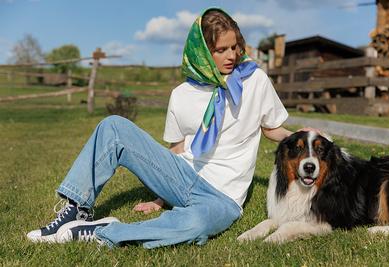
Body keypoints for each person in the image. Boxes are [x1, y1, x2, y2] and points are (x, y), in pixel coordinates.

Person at [27, 7, 293, 249]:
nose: (232, 56)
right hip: (183, 177)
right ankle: (76, 210)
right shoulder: (181, 94)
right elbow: (176, 150)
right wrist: (160, 198)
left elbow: (272, 129)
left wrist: (309, 141)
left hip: (222, 198)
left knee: (195, 224)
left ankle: (103, 231)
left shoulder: (255, 80)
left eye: (234, 47)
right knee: (114, 127)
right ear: (201, 51)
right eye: (221, 50)